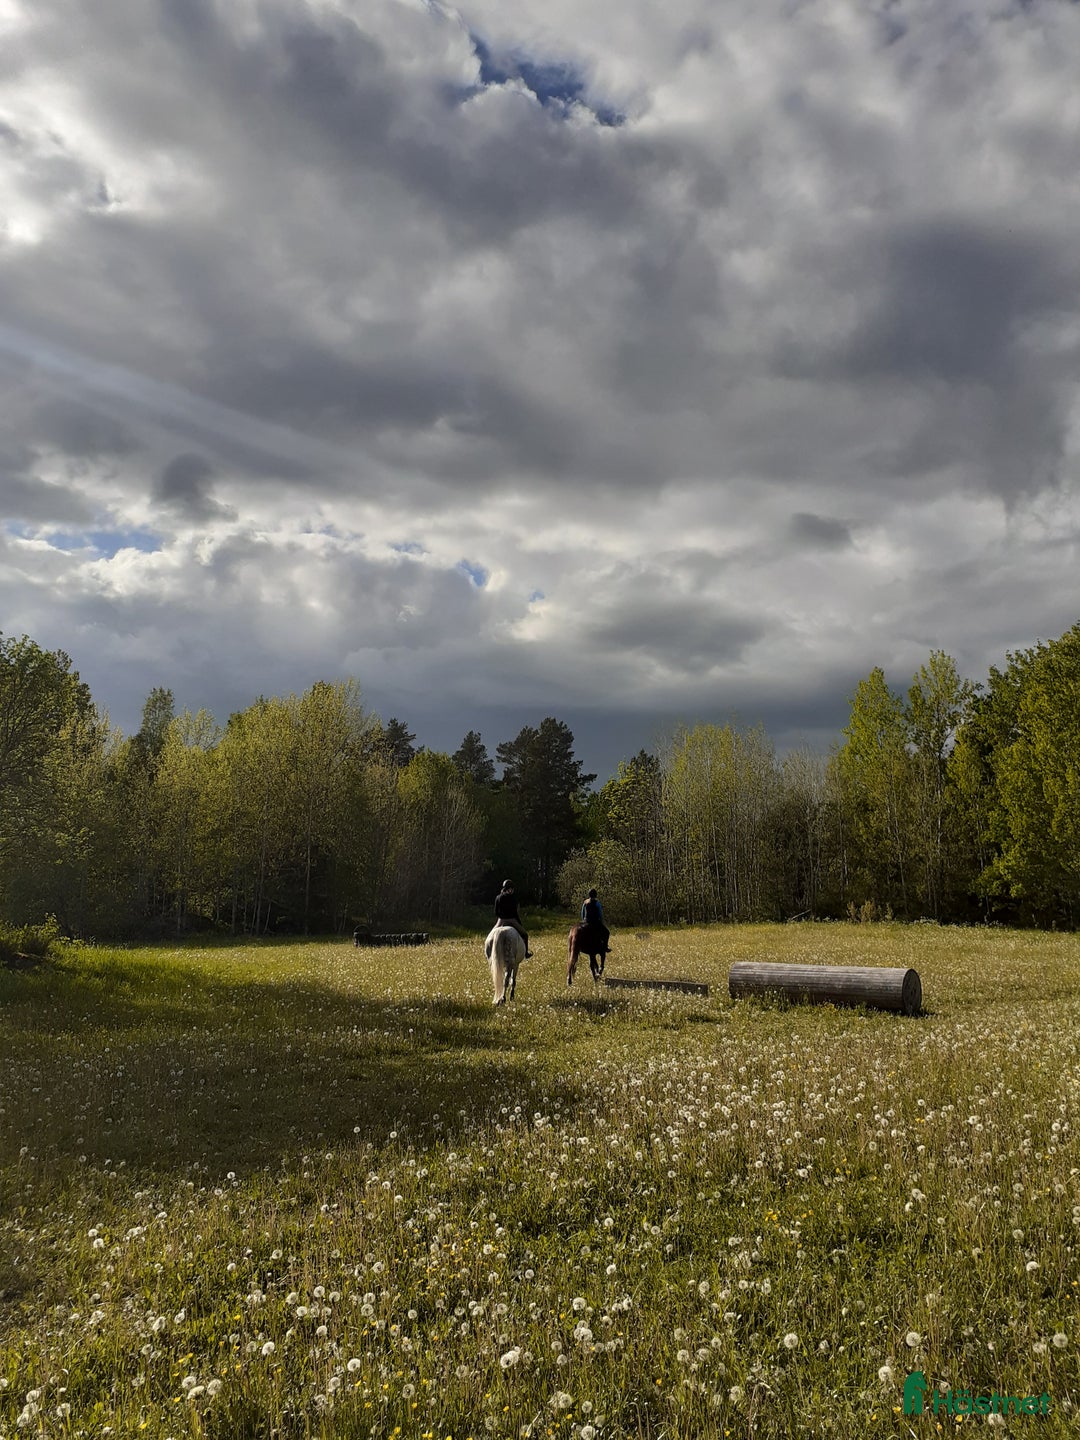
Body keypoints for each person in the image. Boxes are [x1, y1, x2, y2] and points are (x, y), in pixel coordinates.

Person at [494, 880, 532, 957]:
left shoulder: (498, 897)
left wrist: (501, 917)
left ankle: (489, 951)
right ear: (510, 889)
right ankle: (526, 953)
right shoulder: (513, 898)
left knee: (490, 936)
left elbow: (496, 912)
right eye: (511, 889)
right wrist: (519, 923)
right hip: (512, 920)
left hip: (501, 920)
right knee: (525, 935)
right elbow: (515, 913)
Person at [581, 888, 611, 954]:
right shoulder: (597, 903)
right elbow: (600, 914)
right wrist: (602, 922)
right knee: (607, 932)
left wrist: (583, 921)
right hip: (595, 922)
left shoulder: (585, 902)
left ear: (589, 895)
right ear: (595, 895)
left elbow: (582, 913)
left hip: (586, 921)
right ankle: (605, 947)